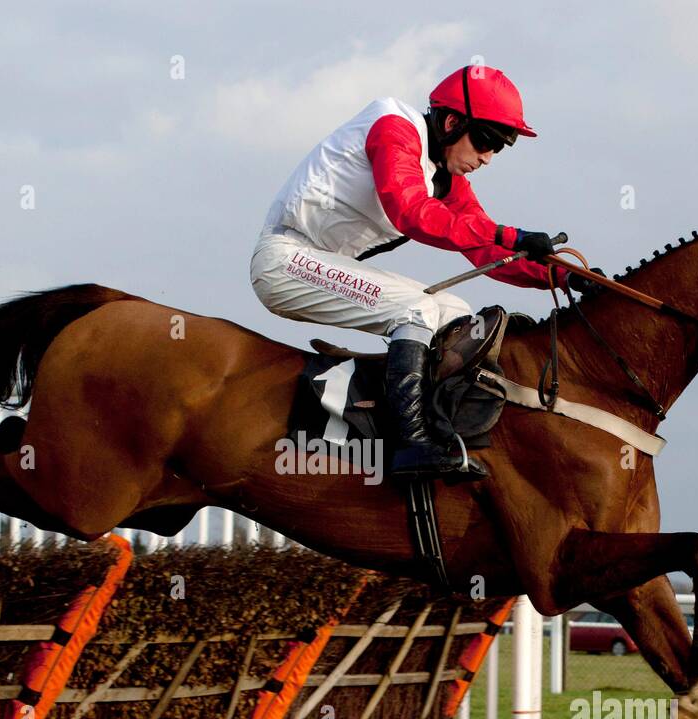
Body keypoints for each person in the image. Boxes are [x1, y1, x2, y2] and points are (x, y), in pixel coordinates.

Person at [250, 64, 591, 480]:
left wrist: (560, 277)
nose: (486, 157)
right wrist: (511, 233)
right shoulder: (393, 128)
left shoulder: (445, 176)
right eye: (484, 141)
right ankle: (411, 444)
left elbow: (482, 246)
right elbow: (410, 211)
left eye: (498, 149)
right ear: (451, 123)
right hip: (285, 260)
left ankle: (434, 429)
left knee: (454, 312)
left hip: (322, 264)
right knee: (416, 311)